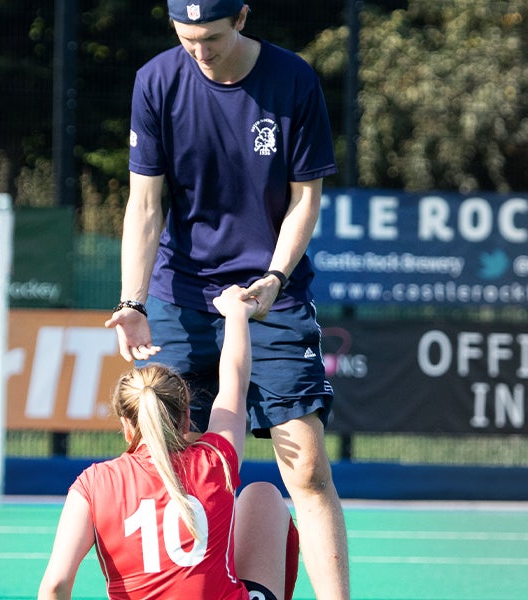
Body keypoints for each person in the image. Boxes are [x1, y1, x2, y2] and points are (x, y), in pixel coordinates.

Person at [104, 1, 350, 598]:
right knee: (169, 460)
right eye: (187, 38)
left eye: (211, 36)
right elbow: (144, 206)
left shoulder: (292, 80)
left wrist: (274, 275)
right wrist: (133, 302)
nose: (200, 51)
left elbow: (304, 199)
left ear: (241, 18)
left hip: (271, 295)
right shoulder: (156, 81)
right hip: (178, 296)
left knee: (307, 466)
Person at [40, 285, 299, 600]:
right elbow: (234, 381)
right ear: (187, 416)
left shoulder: (94, 484)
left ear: (126, 423)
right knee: (264, 496)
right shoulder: (214, 461)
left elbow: (56, 584)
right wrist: (236, 315)